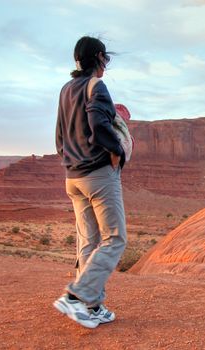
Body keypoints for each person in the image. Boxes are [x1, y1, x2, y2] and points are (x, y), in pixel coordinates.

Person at [53, 36, 127, 329]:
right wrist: (117, 151)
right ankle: (76, 297)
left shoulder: (65, 89)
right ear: (98, 57)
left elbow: (59, 136)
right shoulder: (96, 87)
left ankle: (92, 307)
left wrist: (70, 161)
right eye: (105, 60)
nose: (105, 66)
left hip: (73, 177)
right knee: (115, 239)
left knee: (89, 241)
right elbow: (99, 125)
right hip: (98, 175)